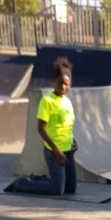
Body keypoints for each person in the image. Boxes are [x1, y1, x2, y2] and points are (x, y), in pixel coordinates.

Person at [6, 57, 78, 196]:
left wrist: (73, 142)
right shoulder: (47, 100)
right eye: (60, 83)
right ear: (53, 81)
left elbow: (66, 126)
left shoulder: (67, 102)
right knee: (57, 190)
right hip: (54, 152)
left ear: (70, 85)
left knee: (70, 188)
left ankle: (38, 179)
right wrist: (56, 150)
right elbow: (41, 128)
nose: (63, 87)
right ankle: (21, 183)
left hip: (68, 151)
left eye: (66, 84)